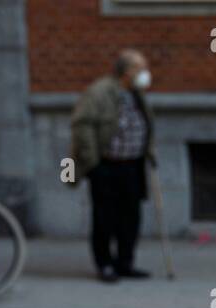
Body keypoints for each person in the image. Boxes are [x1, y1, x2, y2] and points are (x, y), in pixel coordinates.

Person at [68, 50, 159, 283]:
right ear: (127, 71)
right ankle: (105, 264)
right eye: (140, 69)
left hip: (133, 165)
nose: (145, 74)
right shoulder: (99, 92)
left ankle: (125, 263)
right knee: (104, 218)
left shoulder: (137, 94)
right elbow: (82, 125)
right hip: (107, 166)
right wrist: (92, 162)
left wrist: (149, 151)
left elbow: (146, 124)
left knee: (131, 217)